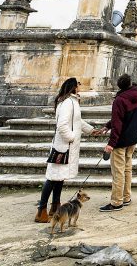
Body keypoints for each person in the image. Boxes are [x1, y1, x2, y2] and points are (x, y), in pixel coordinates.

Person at [35, 77, 99, 223]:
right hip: (63, 146)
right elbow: (63, 125)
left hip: (67, 146)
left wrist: (91, 130)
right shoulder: (68, 103)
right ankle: (41, 210)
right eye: (79, 84)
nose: (80, 87)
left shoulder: (72, 101)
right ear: (74, 87)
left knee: (59, 178)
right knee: (52, 178)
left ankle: (55, 207)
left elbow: (77, 121)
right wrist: (71, 137)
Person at [99, 74, 137, 212]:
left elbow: (118, 122)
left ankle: (117, 202)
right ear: (130, 83)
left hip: (121, 140)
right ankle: (126, 196)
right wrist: (108, 125)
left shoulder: (120, 100)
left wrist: (111, 143)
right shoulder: (136, 95)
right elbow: (122, 117)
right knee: (127, 169)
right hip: (132, 138)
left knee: (118, 172)